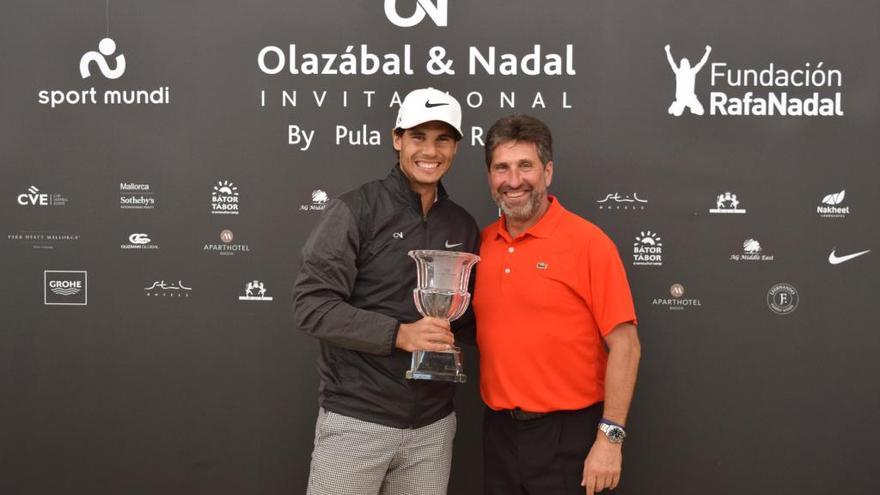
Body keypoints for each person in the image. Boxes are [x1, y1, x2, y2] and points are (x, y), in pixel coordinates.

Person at [292, 87, 480, 495]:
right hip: (358, 420)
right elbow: (312, 305)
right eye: (418, 137)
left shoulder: (462, 226)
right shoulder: (355, 209)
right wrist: (399, 334)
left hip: (432, 426)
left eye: (442, 138)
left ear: (456, 147)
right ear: (397, 140)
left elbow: (466, 319)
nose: (430, 151)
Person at [472, 115, 641, 495]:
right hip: (499, 434)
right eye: (502, 167)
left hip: (570, 438)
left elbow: (626, 346)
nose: (513, 180)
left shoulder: (588, 243)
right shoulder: (480, 245)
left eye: (525, 166)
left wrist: (610, 439)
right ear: (490, 176)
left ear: (547, 171)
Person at [665, 44, 712, 116]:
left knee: (701, 112)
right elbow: (671, 62)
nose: (685, 64)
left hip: (690, 97)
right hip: (681, 98)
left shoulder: (692, 72)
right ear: (681, 65)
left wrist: (707, 52)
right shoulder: (678, 72)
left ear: (689, 64)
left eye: (686, 63)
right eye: (683, 63)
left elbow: (702, 63)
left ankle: (690, 108)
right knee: (677, 114)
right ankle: (675, 105)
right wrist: (667, 51)